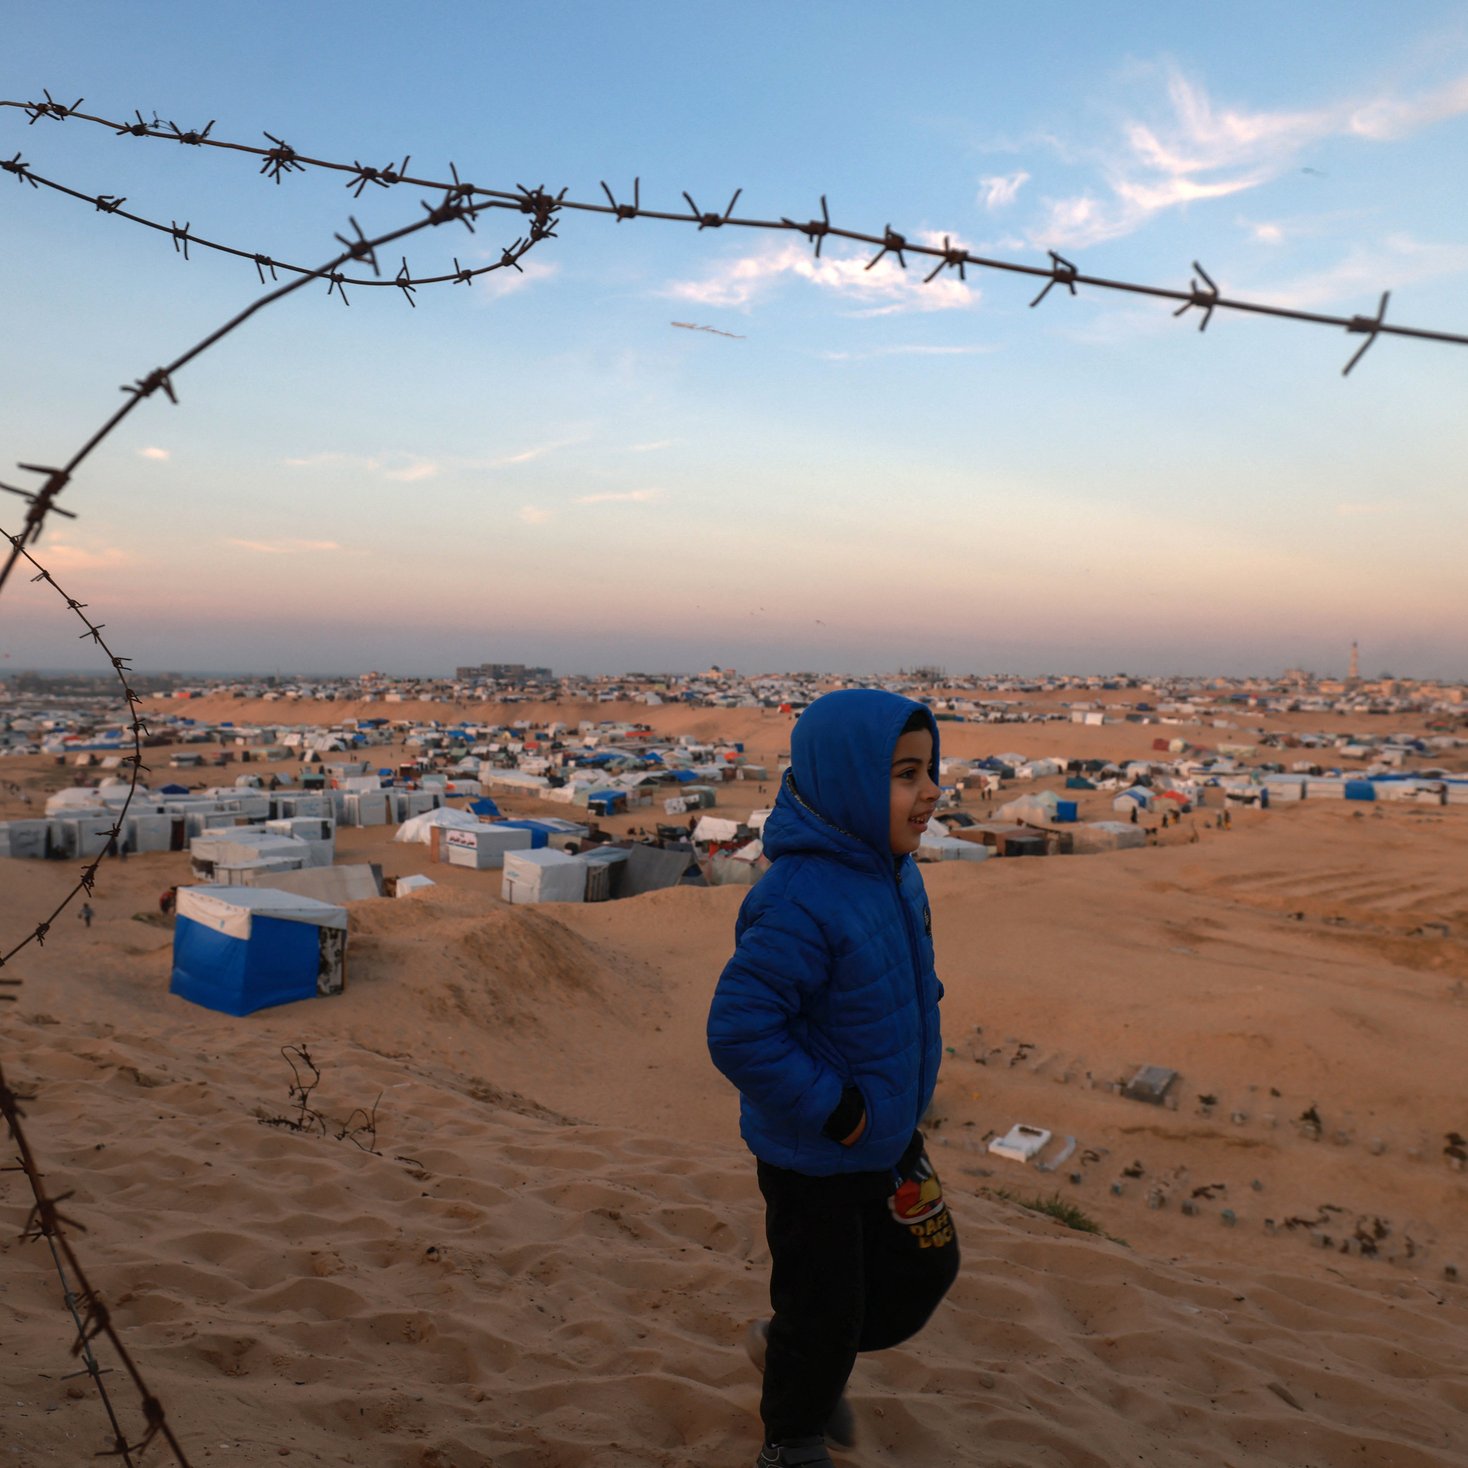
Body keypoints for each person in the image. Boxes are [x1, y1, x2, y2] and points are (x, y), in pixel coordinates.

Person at [708, 689, 959, 1468]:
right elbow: (739, 1031)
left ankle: (797, 1349)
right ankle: (792, 1438)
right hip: (816, 1154)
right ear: (849, 780)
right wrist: (839, 1109)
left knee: (928, 1265)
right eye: (905, 775)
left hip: (888, 1133)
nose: (930, 792)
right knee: (827, 1309)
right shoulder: (797, 899)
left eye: (930, 770)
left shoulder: (895, 873)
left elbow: (895, 977)